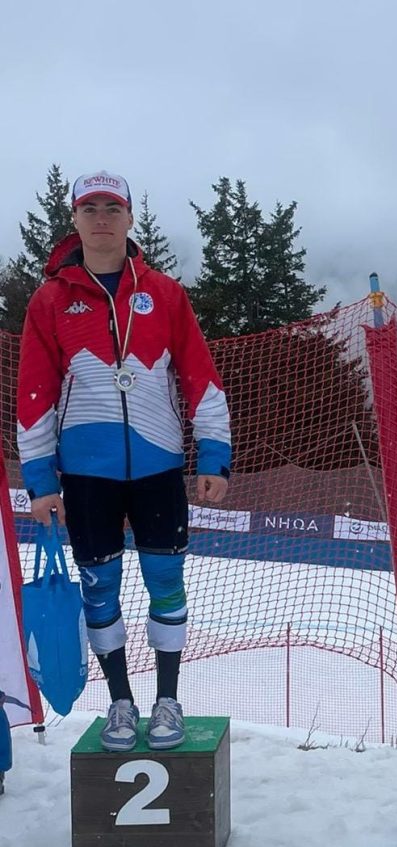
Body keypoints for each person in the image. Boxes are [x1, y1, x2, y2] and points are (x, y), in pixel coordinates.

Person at [17, 171, 232, 752]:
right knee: (99, 590)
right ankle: (119, 703)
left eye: (114, 207)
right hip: (86, 476)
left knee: (167, 583)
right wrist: (40, 480)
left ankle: (168, 699)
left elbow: (201, 380)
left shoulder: (164, 294)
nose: (103, 218)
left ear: (131, 218)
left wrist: (213, 456)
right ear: (75, 221)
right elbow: (34, 394)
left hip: (160, 468)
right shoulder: (50, 300)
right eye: (90, 208)